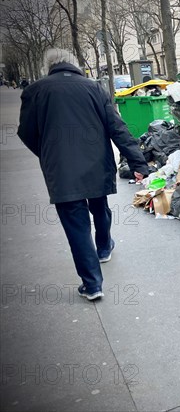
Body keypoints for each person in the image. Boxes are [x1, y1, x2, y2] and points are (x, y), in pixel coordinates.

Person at [18, 48, 149, 301]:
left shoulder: (35, 91)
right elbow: (117, 128)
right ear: (74, 64)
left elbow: (27, 132)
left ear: (50, 66)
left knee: (76, 225)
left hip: (62, 170)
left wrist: (47, 154)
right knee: (100, 207)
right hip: (96, 164)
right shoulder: (94, 88)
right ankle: (103, 247)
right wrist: (138, 163)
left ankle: (92, 285)